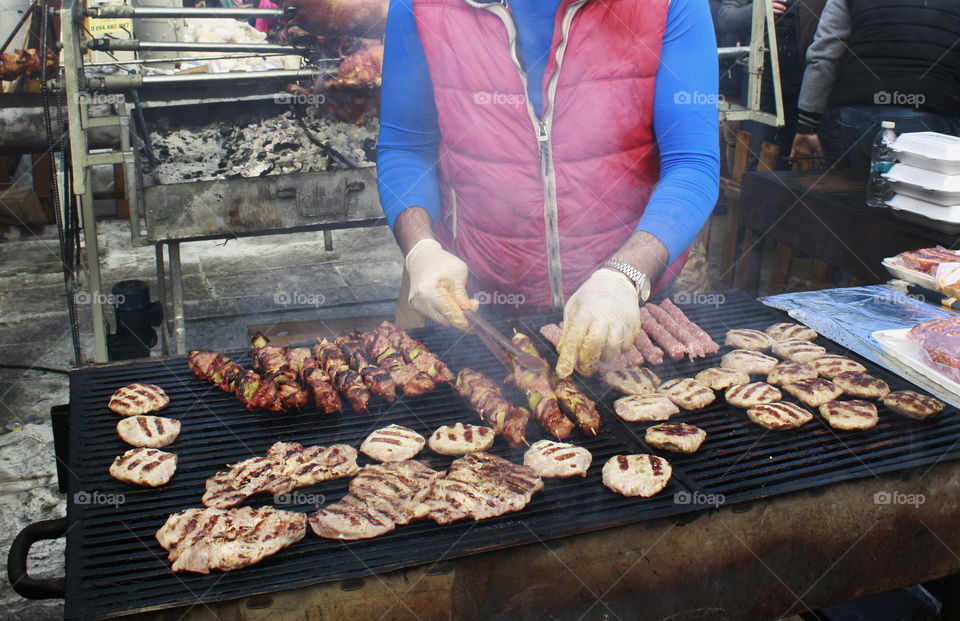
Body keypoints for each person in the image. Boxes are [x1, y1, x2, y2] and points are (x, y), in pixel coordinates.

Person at [376, 0, 720, 378]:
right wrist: (422, 249)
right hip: (481, 310)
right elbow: (407, 148)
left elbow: (692, 161)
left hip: (632, 303)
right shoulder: (423, 5)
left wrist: (624, 275)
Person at [791, 0, 960, 169]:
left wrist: (807, 125)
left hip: (857, 114)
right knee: (919, 194)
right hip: (930, 114)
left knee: (851, 192)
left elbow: (823, 55)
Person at [717, 0, 825, 170]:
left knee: (797, 159)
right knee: (756, 156)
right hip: (761, 78)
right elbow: (726, 17)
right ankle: (754, 194)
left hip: (807, 81)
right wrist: (760, 9)